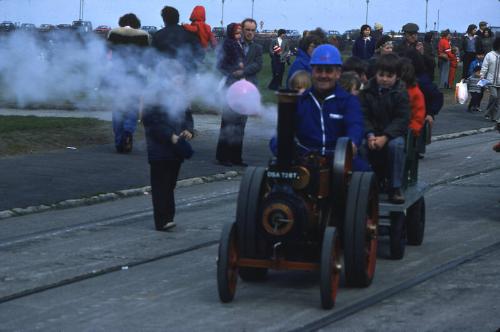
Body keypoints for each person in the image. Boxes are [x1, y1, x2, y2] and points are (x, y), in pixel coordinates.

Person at [270, 44, 367, 171]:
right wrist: (281, 144)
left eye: (328, 70)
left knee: (364, 173)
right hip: (304, 159)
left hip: (340, 159)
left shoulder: (349, 101)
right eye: (319, 70)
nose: (323, 75)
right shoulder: (300, 101)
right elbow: (285, 130)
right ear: (312, 71)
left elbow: (355, 125)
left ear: (338, 73)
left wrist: (352, 143)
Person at [143, 6, 197, 231]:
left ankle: (168, 216)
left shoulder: (180, 96)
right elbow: (151, 121)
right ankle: (162, 219)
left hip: (175, 148)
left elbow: (187, 116)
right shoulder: (154, 97)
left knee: (170, 183)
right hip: (160, 148)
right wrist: (170, 136)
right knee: (160, 185)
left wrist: (188, 130)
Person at [359, 53, 410, 204]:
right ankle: (364, 184)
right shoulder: (367, 91)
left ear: (397, 76)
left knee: (396, 146)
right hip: (372, 133)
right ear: (376, 74)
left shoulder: (401, 93)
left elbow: (402, 119)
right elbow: (363, 115)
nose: (385, 79)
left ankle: (395, 187)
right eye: (381, 75)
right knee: (359, 145)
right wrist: (369, 134)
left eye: (389, 76)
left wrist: (386, 137)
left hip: (392, 135)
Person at [215, 18, 263, 166]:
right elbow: (220, 64)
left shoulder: (257, 48)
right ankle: (223, 156)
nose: (250, 33)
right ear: (242, 29)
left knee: (240, 125)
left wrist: (242, 72)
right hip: (231, 89)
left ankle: (236, 157)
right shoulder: (231, 44)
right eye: (247, 29)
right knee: (228, 121)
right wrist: (232, 73)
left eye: (252, 30)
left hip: (247, 91)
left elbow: (257, 65)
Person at [107, 13, 151, 153]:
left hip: (117, 75)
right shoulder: (143, 36)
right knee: (132, 107)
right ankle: (128, 131)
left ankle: (119, 141)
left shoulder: (113, 34)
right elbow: (146, 58)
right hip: (136, 76)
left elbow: (108, 56)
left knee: (118, 108)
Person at [399, 58, 425, 136]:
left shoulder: (415, 92)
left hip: (408, 130)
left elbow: (418, 117)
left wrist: (411, 130)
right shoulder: (393, 90)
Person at [481, 37, 500, 122]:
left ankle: (495, 117)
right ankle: (488, 113)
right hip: (491, 81)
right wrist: (482, 76)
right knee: (494, 97)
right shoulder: (490, 55)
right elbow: (484, 67)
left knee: (498, 101)